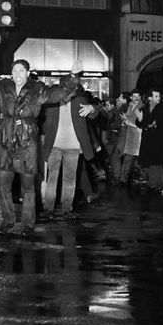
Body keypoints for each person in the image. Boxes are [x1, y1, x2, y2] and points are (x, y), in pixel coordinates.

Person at [0, 43, 79, 237]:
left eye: (21, 70)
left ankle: (28, 223)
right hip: (4, 141)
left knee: (28, 186)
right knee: (2, 183)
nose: (17, 73)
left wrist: (72, 76)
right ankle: (8, 219)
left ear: (28, 73)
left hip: (27, 142)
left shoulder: (38, 89)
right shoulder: (3, 87)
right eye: (14, 70)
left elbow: (59, 93)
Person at [39, 78, 98, 221]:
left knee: (70, 181)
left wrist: (93, 107)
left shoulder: (79, 100)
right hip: (54, 146)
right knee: (52, 179)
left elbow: (94, 114)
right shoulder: (52, 101)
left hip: (73, 146)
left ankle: (66, 209)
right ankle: (48, 209)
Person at [136, 88, 163, 192]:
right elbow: (140, 124)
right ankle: (159, 185)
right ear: (150, 98)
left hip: (159, 139)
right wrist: (140, 120)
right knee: (154, 162)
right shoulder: (144, 109)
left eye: (159, 96)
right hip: (148, 140)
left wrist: (156, 123)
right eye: (156, 96)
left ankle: (153, 184)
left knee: (157, 162)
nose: (159, 98)